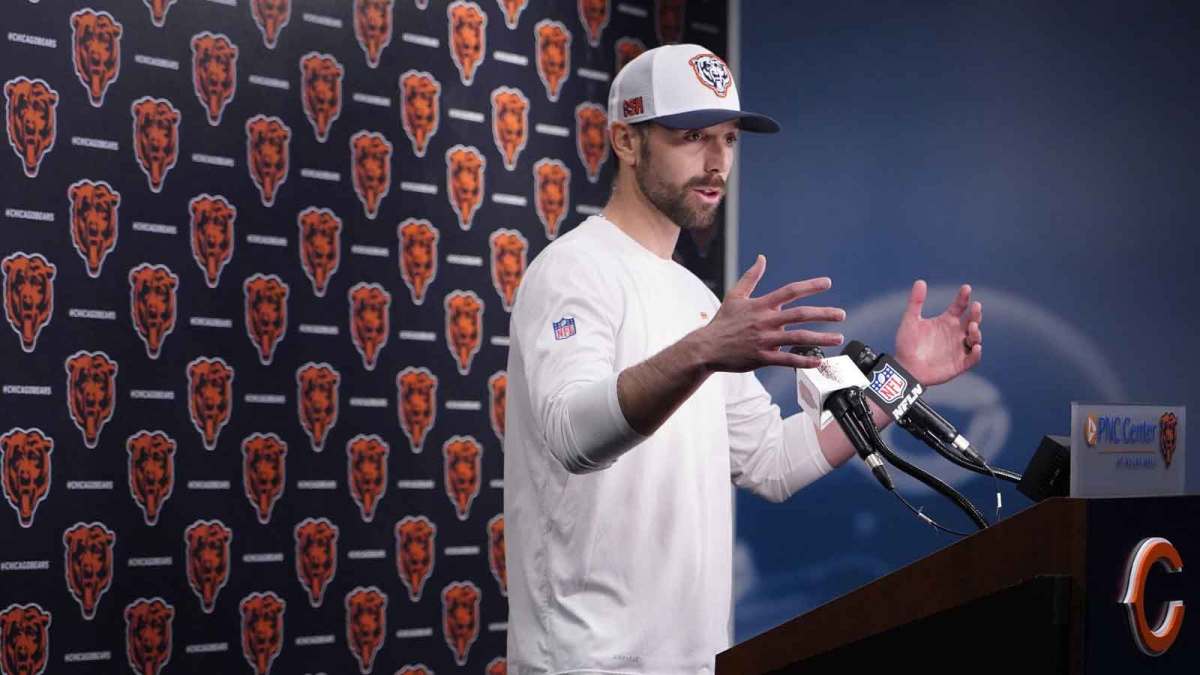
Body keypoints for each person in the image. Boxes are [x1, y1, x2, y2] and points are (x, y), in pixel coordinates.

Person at [502, 43, 984, 674]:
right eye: (692, 136)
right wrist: (704, 351)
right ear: (625, 141)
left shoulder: (696, 298)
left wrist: (901, 381)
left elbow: (772, 462)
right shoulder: (571, 273)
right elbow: (573, 436)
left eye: (728, 139)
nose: (716, 162)